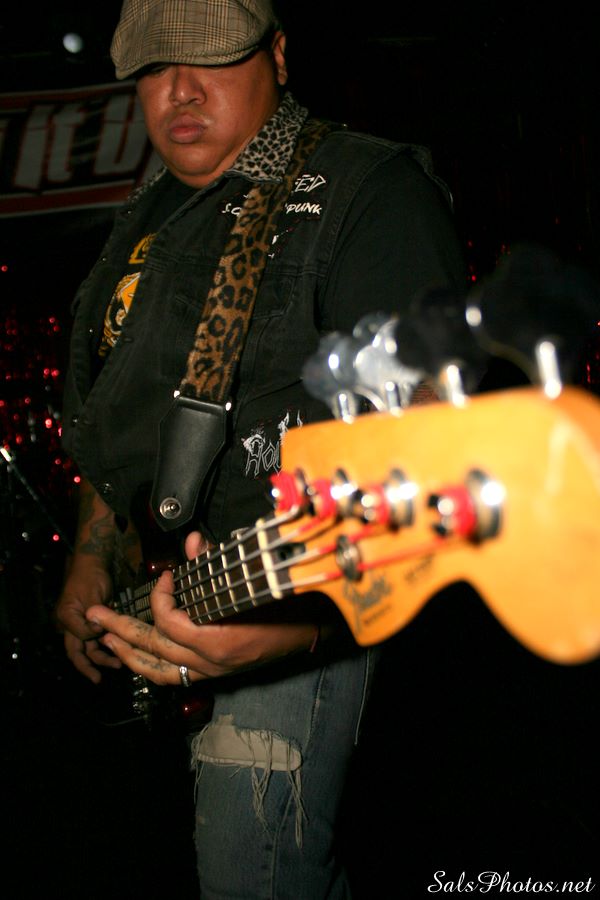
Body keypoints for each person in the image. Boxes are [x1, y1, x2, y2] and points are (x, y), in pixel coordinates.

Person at [54, 0, 467, 896]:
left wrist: (291, 629)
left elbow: (429, 480)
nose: (180, 90)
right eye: (155, 68)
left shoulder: (367, 193)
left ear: (279, 55)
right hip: (169, 613)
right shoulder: (153, 211)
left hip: (295, 606)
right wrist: (94, 553)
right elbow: (121, 414)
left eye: (212, 58)